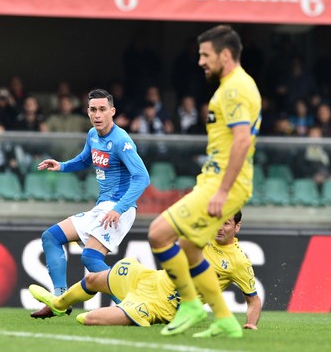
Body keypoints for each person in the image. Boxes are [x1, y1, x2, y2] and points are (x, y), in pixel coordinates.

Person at [147, 25, 262, 338]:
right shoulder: (231, 86)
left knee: (158, 234)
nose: (200, 61)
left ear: (225, 55)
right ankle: (224, 317)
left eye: (205, 55)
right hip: (215, 181)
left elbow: (240, 141)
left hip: (223, 184)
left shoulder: (236, 87)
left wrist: (222, 191)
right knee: (189, 246)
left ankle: (190, 303)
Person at [30, 89, 150, 318]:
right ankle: (61, 299)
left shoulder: (121, 140)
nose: (98, 114)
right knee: (51, 237)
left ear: (112, 111)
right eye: (93, 109)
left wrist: (119, 208)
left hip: (120, 208)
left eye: (103, 109)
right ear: (87, 112)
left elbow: (142, 178)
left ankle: (132, 307)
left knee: (90, 257)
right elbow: (86, 159)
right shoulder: (92, 135)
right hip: (102, 206)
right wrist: (62, 165)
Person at [29, 212, 261, 329]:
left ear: (237, 226)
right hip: (150, 278)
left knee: (90, 319)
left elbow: (253, 300)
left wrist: (251, 325)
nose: (220, 227)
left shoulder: (238, 262)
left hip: (163, 305)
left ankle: (131, 311)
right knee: (91, 279)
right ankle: (58, 305)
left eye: (227, 223)